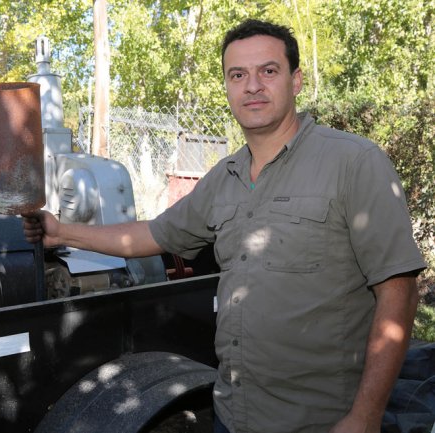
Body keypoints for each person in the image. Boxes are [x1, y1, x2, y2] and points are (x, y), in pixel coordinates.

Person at [22, 19, 426, 433]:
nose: (252, 86)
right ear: (228, 87)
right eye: (238, 75)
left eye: (268, 71)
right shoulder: (224, 177)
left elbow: (398, 292)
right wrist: (63, 232)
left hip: (320, 421)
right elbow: (154, 234)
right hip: (233, 414)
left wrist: (365, 417)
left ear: (297, 80)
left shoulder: (354, 163)